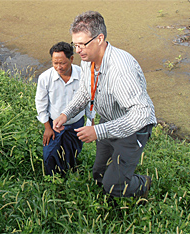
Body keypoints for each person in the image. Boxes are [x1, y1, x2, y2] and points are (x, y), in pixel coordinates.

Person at [53, 11, 157, 198]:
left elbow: (142, 113)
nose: (78, 51)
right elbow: (86, 91)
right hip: (110, 120)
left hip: (134, 127)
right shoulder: (88, 59)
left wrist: (98, 132)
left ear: (100, 38)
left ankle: (143, 184)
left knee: (114, 184)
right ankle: (110, 197)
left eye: (82, 44)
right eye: (74, 45)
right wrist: (65, 114)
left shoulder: (120, 70)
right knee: (99, 174)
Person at [35, 42, 95, 176]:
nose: (58, 67)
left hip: (76, 124)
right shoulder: (45, 78)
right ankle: (53, 180)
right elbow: (41, 103)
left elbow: (90, 100)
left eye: (62, 63)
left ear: (71, 59)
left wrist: (90, 121)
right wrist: (47, 127)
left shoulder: (84, 75)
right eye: (55, 63)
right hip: (54, 124)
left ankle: (69, 176)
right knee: (49, 155)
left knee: (72, 153)